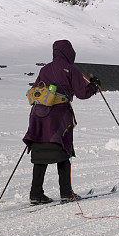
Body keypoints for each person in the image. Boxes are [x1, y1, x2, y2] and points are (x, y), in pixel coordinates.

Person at [23, 39, 100, 205]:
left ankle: (36, 193)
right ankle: (66, 192)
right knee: (63, 151)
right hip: (59, 116)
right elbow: (82, 93)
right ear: (69, 52)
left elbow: (37, 89)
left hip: (38, 116)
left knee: (40, 153)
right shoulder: (71, 69)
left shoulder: (44, 69)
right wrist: (94, 86)